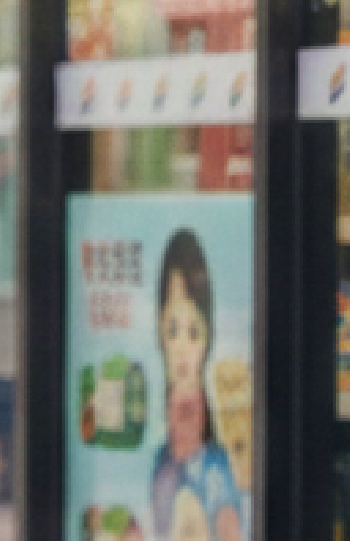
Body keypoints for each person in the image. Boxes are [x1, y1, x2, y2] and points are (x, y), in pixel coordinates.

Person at [150, 230, 242, 541]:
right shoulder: (160, 463)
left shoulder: (216, 467)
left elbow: (229, 524)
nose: (181, 349)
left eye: (193, 332)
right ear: (159, 331)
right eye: (172, 329)